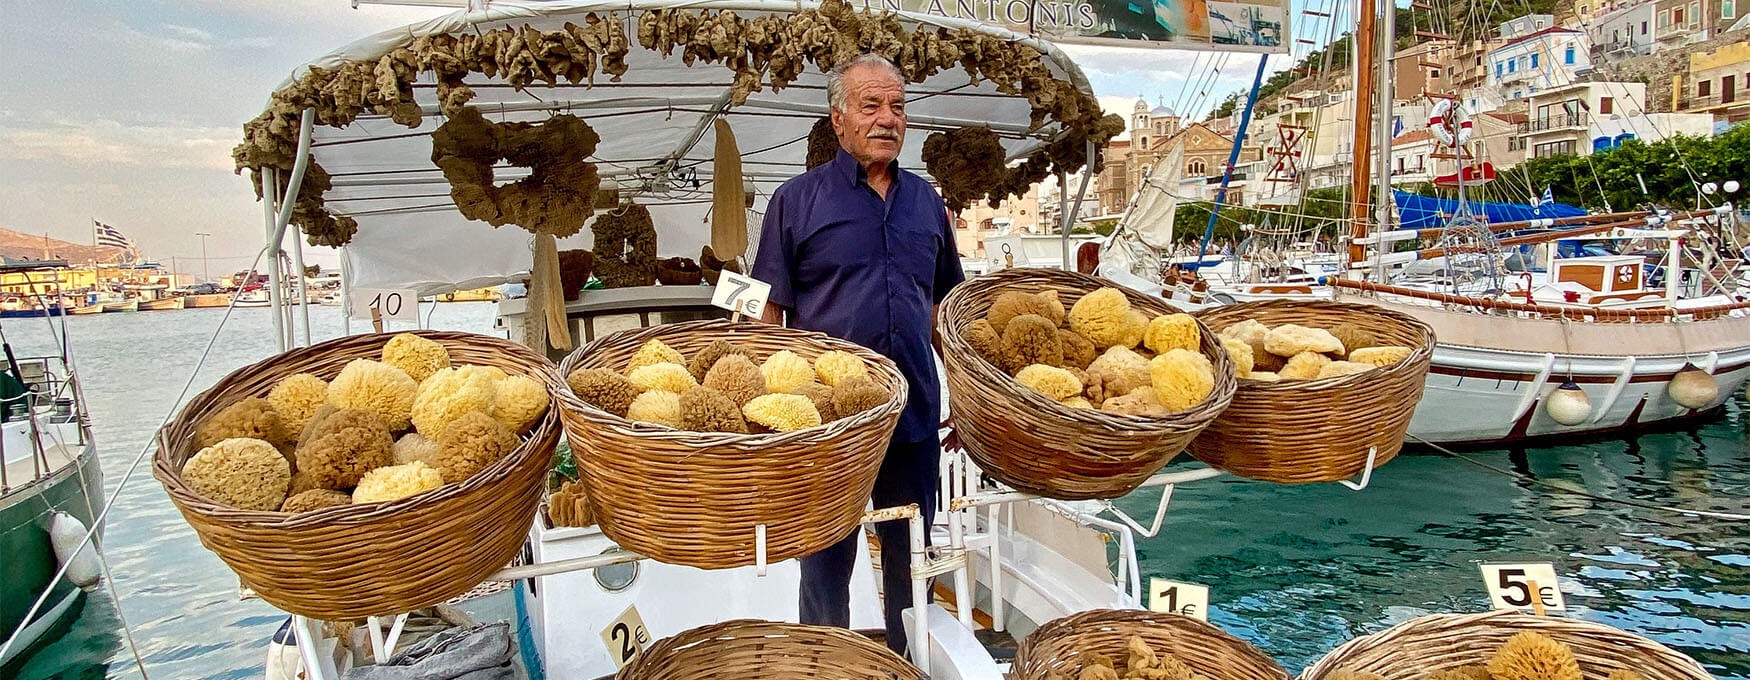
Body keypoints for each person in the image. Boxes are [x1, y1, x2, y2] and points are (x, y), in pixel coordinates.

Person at [751, 52, 964, 654]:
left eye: (897, 106)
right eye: (870, 105)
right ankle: (826, 663)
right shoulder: (796, 201)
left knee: (913, 560)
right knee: (823, 568)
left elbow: (951, 310)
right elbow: (769, 314)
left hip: (915, 416)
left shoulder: (927, 203)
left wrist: (968, 403)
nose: (887, 119)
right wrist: (769, 416)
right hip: (830, 427)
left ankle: (908, 662)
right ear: (838, 119)